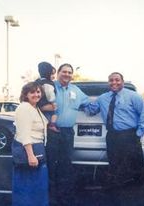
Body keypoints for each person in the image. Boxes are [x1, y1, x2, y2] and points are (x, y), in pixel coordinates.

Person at [87, 72, 144, 185]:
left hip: (130, 135)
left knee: (135, 164)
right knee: (114, 163)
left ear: (122, 81)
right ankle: (117, 190)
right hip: (112, 135)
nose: (114, 82)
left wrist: (138, 133)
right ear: (108, 82)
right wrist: (79, 102)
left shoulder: (133, 96)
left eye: (117, 80)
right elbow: (92, 110)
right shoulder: (102, 98)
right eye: (111, 80)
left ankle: (137, 192)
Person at [43, 63, 90, 206]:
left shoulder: (76, 90)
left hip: (68, 133)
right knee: (51, 165)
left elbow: (88, 103)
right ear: (58, 73)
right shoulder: (50, 87)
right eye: (64, 71)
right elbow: (35, 102)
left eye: (70, 72)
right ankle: (50, 199)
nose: (67, 74)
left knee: (65, 165)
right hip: (51, 132)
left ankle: (64, 198)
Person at [12, 81, 49, 206]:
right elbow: (24, 134)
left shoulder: (35, 108)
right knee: (26, 186)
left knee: (36, 186)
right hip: (29, 150)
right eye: (32, 92)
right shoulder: (24, 108)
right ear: (26, 94)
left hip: (37, 149)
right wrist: (30, 155)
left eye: (38, 92)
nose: (36, 94)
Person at [36, 61, 59, 132]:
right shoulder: (48, 83)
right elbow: (50, 94)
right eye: (52, 74)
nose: (53, 76)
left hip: (38, 105)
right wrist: (53, 103)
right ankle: (52, 125)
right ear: (48, 73)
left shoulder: (37, 81)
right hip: (46, 104)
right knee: (55, 112)